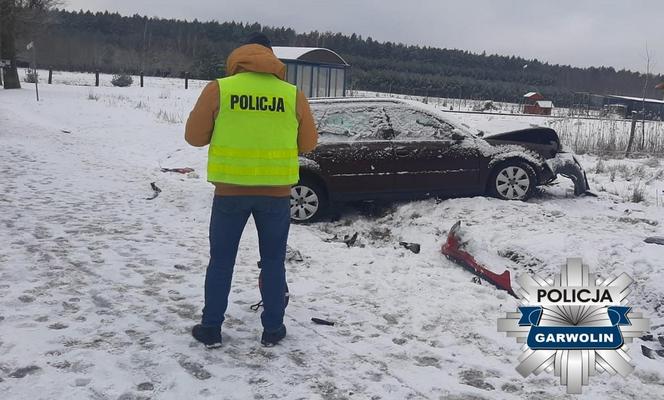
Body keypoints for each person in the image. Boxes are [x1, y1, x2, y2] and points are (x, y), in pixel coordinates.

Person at [184, 33, 318, 348]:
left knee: (221, 261)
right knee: (273, 261)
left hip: (229, 194)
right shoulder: (292, 95)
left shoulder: (220, 89)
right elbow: (309, 143)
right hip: (276, 196)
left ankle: (211, 329)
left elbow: (194, 136)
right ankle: (272, 330)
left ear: (239, 57)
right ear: (273, 60)